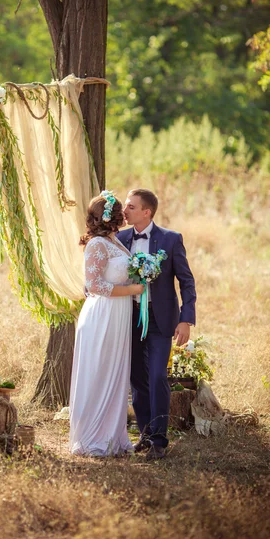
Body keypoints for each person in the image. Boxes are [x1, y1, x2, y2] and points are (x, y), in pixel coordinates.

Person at [117, 189, 196, 461]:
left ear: (146, 212)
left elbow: (186, 281)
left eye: (130, 206)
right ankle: (146, 434)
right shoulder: (120, 239)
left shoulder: (171, 240)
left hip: (161, 321)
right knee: (136, 380)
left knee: (158, 376)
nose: (123, 211)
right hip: (129, 319)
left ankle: (160, 440)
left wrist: (186, 319)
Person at [69, 191, 145, 457]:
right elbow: (95, 285)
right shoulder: (97, 245)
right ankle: (93, 436)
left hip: (118, 316)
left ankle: (113, 435)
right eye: (118, 212)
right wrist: (135, 289)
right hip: (102, 316)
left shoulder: (115, 241)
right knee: (99, 372)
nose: (124, 214)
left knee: (115, 373)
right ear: (109, 216)